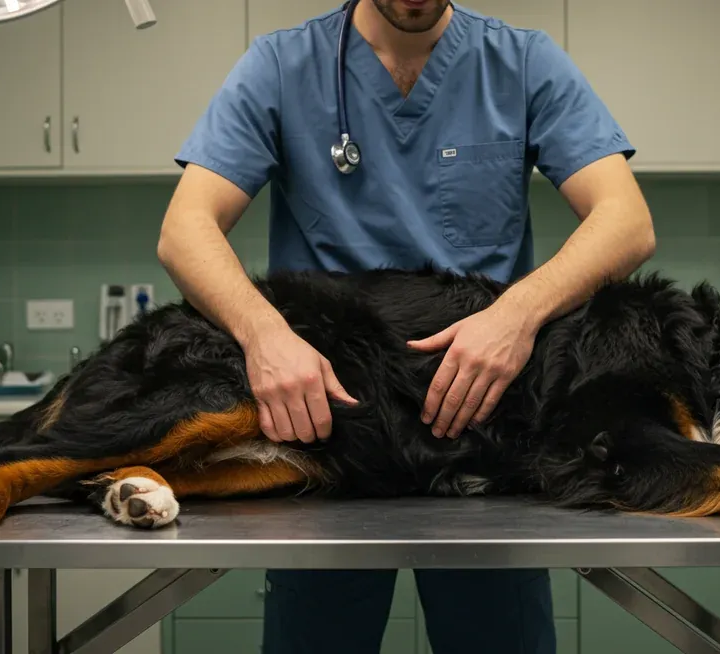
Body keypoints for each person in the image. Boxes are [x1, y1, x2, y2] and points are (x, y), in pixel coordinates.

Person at [156, 0, 655, 651]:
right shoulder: (281, 66)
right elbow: (184, 231)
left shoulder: (523, 63)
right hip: (328, 433)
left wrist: (516, 316)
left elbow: (627, 222)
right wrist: (266, 336)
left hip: (481, 428)